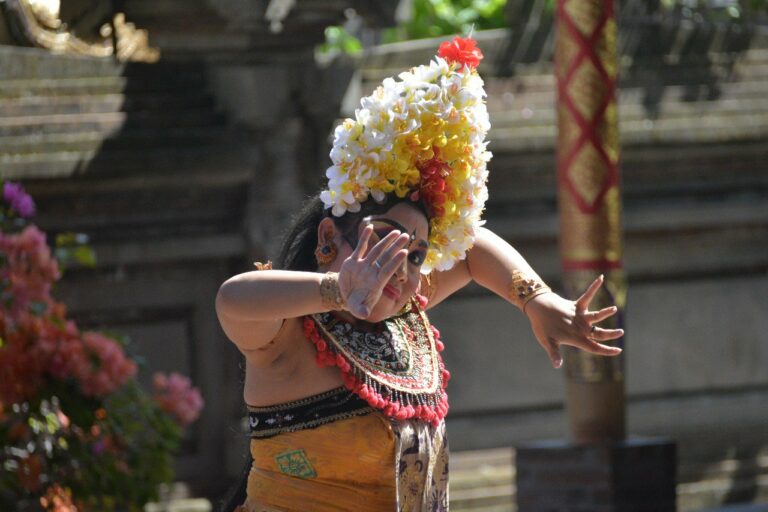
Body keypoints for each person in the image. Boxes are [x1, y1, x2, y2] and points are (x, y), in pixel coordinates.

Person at [215, 36, 623, 512]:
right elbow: (232, 299)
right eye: (386, 240)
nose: (404, 268)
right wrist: (339, 291)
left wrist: (534, 298)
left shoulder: (404, 314)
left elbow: (470, 249)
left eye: (416, 256)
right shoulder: (287, 336)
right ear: (328, 239)